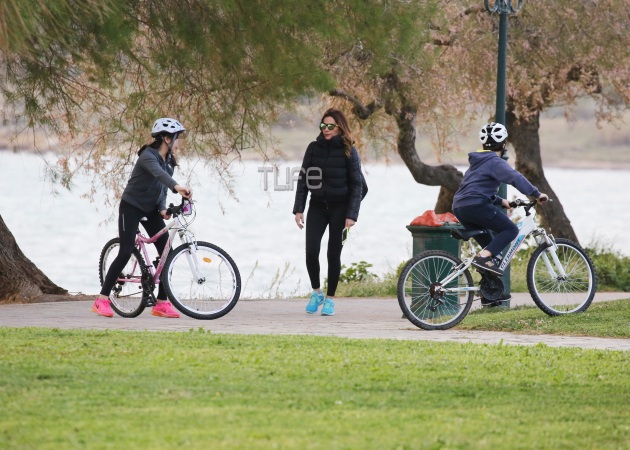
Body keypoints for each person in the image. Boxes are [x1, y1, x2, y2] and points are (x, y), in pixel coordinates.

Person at [92, 118, 193, 318]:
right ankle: (102, 299)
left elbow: (162, 188)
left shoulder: (169, 161)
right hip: (131, 207)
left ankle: (162, 303)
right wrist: (177, 187)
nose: (179, 142)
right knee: (126, 250)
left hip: (151, 210)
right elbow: (159, 176)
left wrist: (163, 209)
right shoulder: (148, 156)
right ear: (166, 138)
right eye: (176, 138)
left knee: (167, 255)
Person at [452, 122, 548, 301]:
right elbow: (514, 177)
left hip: (461, 207)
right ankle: (481, 259)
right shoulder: (494, 161)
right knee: (510, 230)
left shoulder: (476, 162)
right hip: (476, 205)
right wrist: (536, 194)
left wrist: (500, 201)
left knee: (492, 252)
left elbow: (473, 189)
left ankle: (491, 295)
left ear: (483, 144)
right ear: (503, 145)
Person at [293, 108, 363, 316]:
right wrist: (299, 209)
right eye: (323, 126)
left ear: (339, 127)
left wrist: (352, 214)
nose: (326, 129)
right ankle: (317, 292)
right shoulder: (313, 148)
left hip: (340, 209)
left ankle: (330, 299)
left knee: (334, 254)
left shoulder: (349, 150)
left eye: (330, 126)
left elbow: (357, 185)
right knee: (311, 251)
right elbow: (303, 180)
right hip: (317, 206)